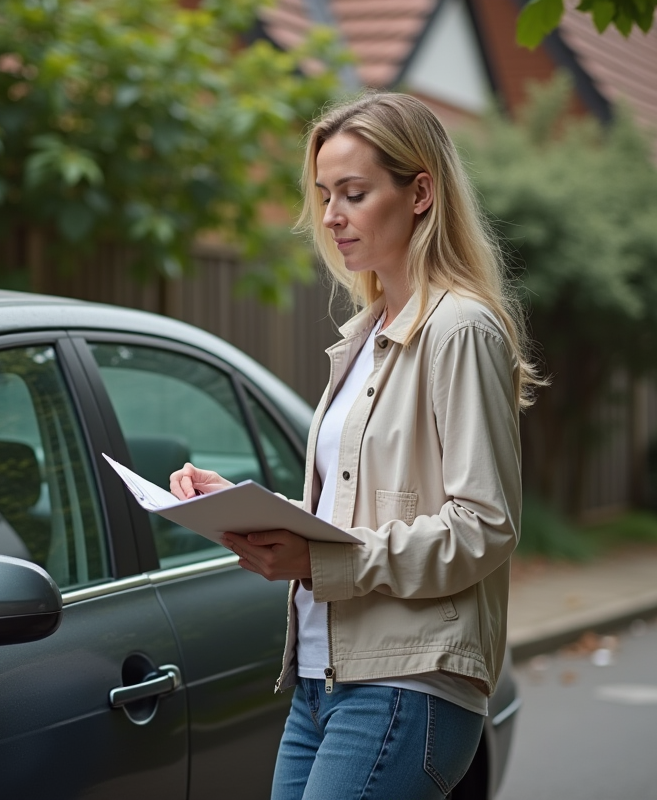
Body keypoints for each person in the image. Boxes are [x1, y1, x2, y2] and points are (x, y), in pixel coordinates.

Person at [170, 92, 539, 800]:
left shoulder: (459, 329)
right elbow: (358, 509)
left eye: (354, 193)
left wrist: (322, 560)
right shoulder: (365, 336)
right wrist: (251, 508)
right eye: (324, 195)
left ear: (421, 192)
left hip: (407, 685)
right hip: (321, 679)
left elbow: (485, 526)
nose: (331, 216)